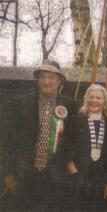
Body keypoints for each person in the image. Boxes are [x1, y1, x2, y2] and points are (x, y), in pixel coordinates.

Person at [6, 60, 77, 211]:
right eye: (43, 77)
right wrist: (8, 173)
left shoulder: (70, 105)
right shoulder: (21, 103)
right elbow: (9, 139)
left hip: (56, 176)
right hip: (24, 174)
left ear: (59, 82)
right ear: (38, 81)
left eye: (51, 78)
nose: (46, 81)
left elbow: (72, 140)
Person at [63, 84, 107, 211]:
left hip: (101, 184)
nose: (94, 101)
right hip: (77, 180)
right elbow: (65, 149)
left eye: (98, 98)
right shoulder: (75, 121)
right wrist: (74, 174)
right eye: (91, 97)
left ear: (105, 102)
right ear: (86, 100)